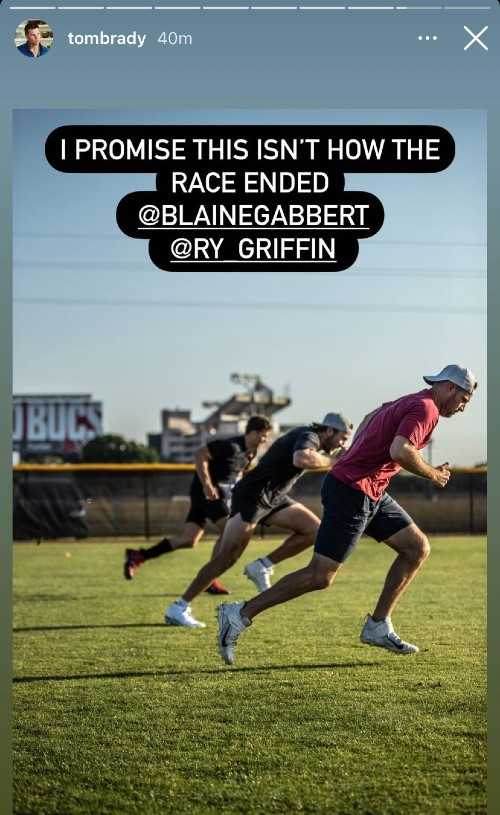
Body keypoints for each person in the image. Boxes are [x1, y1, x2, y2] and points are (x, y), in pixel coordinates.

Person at [216, 364, 477, 664]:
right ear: (449, 388)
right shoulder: (426, 408)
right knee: (320, 575)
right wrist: (432, 474)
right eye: (465, 399)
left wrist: (357, 453)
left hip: (370, 490)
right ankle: (239, 614)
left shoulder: (408, 401)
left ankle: (378, 625)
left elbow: (370, 417)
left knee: (417, 548)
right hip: (352, 490)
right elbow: (401, 450)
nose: (463, 407)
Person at [165, 412, 353, 627]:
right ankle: (178, 608)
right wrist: (333, 461)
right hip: (252, 496)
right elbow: (301, 458)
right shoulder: (308, 434)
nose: (343, 442)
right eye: (343, 437)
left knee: (314, 530)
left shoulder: (316, 441)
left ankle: (262, 565)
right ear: (328, 430)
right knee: (227, 557)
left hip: (274, 497)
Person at [124, 415, 272, 595]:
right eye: (262, 435)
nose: (264, 440)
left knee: (189, 539)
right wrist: (207, 485)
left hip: (213, 496)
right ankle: (211, 579)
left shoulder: (251, 453)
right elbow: (200, 454)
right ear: (251, 432)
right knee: (229, 530)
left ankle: (139, 556)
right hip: (207, 494)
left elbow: (238, 473)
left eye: (266, 436)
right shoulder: (231, 446)